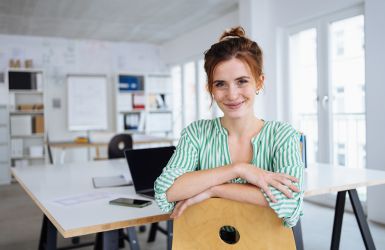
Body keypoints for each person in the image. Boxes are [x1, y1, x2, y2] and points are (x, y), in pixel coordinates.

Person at [154, 26, 304, 228]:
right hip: (205, 241)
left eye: (242, 81)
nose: (232, 95)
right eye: (220, 84)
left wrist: (214, 190)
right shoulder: (196, 133)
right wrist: (239, 170)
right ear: (210, 89)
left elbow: (290, 201)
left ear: (259, 83)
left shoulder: (283, 135)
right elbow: (167, 190)